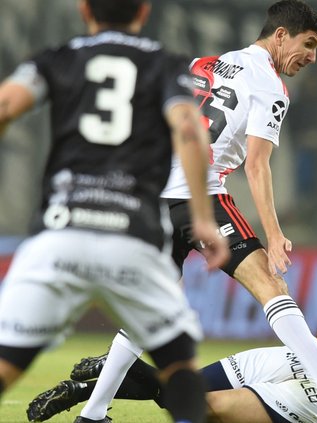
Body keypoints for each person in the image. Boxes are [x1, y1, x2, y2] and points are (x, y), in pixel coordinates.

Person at [62, 2, 317, 422]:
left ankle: (92, 414)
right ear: (280, 35)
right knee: (271, 286)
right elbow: (256, 165)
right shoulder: (270, 86)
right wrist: (273, 235)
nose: (312, 56)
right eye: (308, 44)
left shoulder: (204, 64)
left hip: (155, 196)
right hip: (201, 197)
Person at [0, 0, 230, 422]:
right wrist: (201, 218)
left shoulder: (57, 58)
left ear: (84, 9)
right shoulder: (167, 65)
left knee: (7, 363)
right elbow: (187, 131)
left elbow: (4, 106)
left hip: (60, 232)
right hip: (132, 238)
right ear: (143, 12)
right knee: (179, 367)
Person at [28, 281, 317, 423]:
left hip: (313, 396)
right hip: (287, 365)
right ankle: (108, 377)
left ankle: (103, 380)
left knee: (203, 406)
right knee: (179, 393)